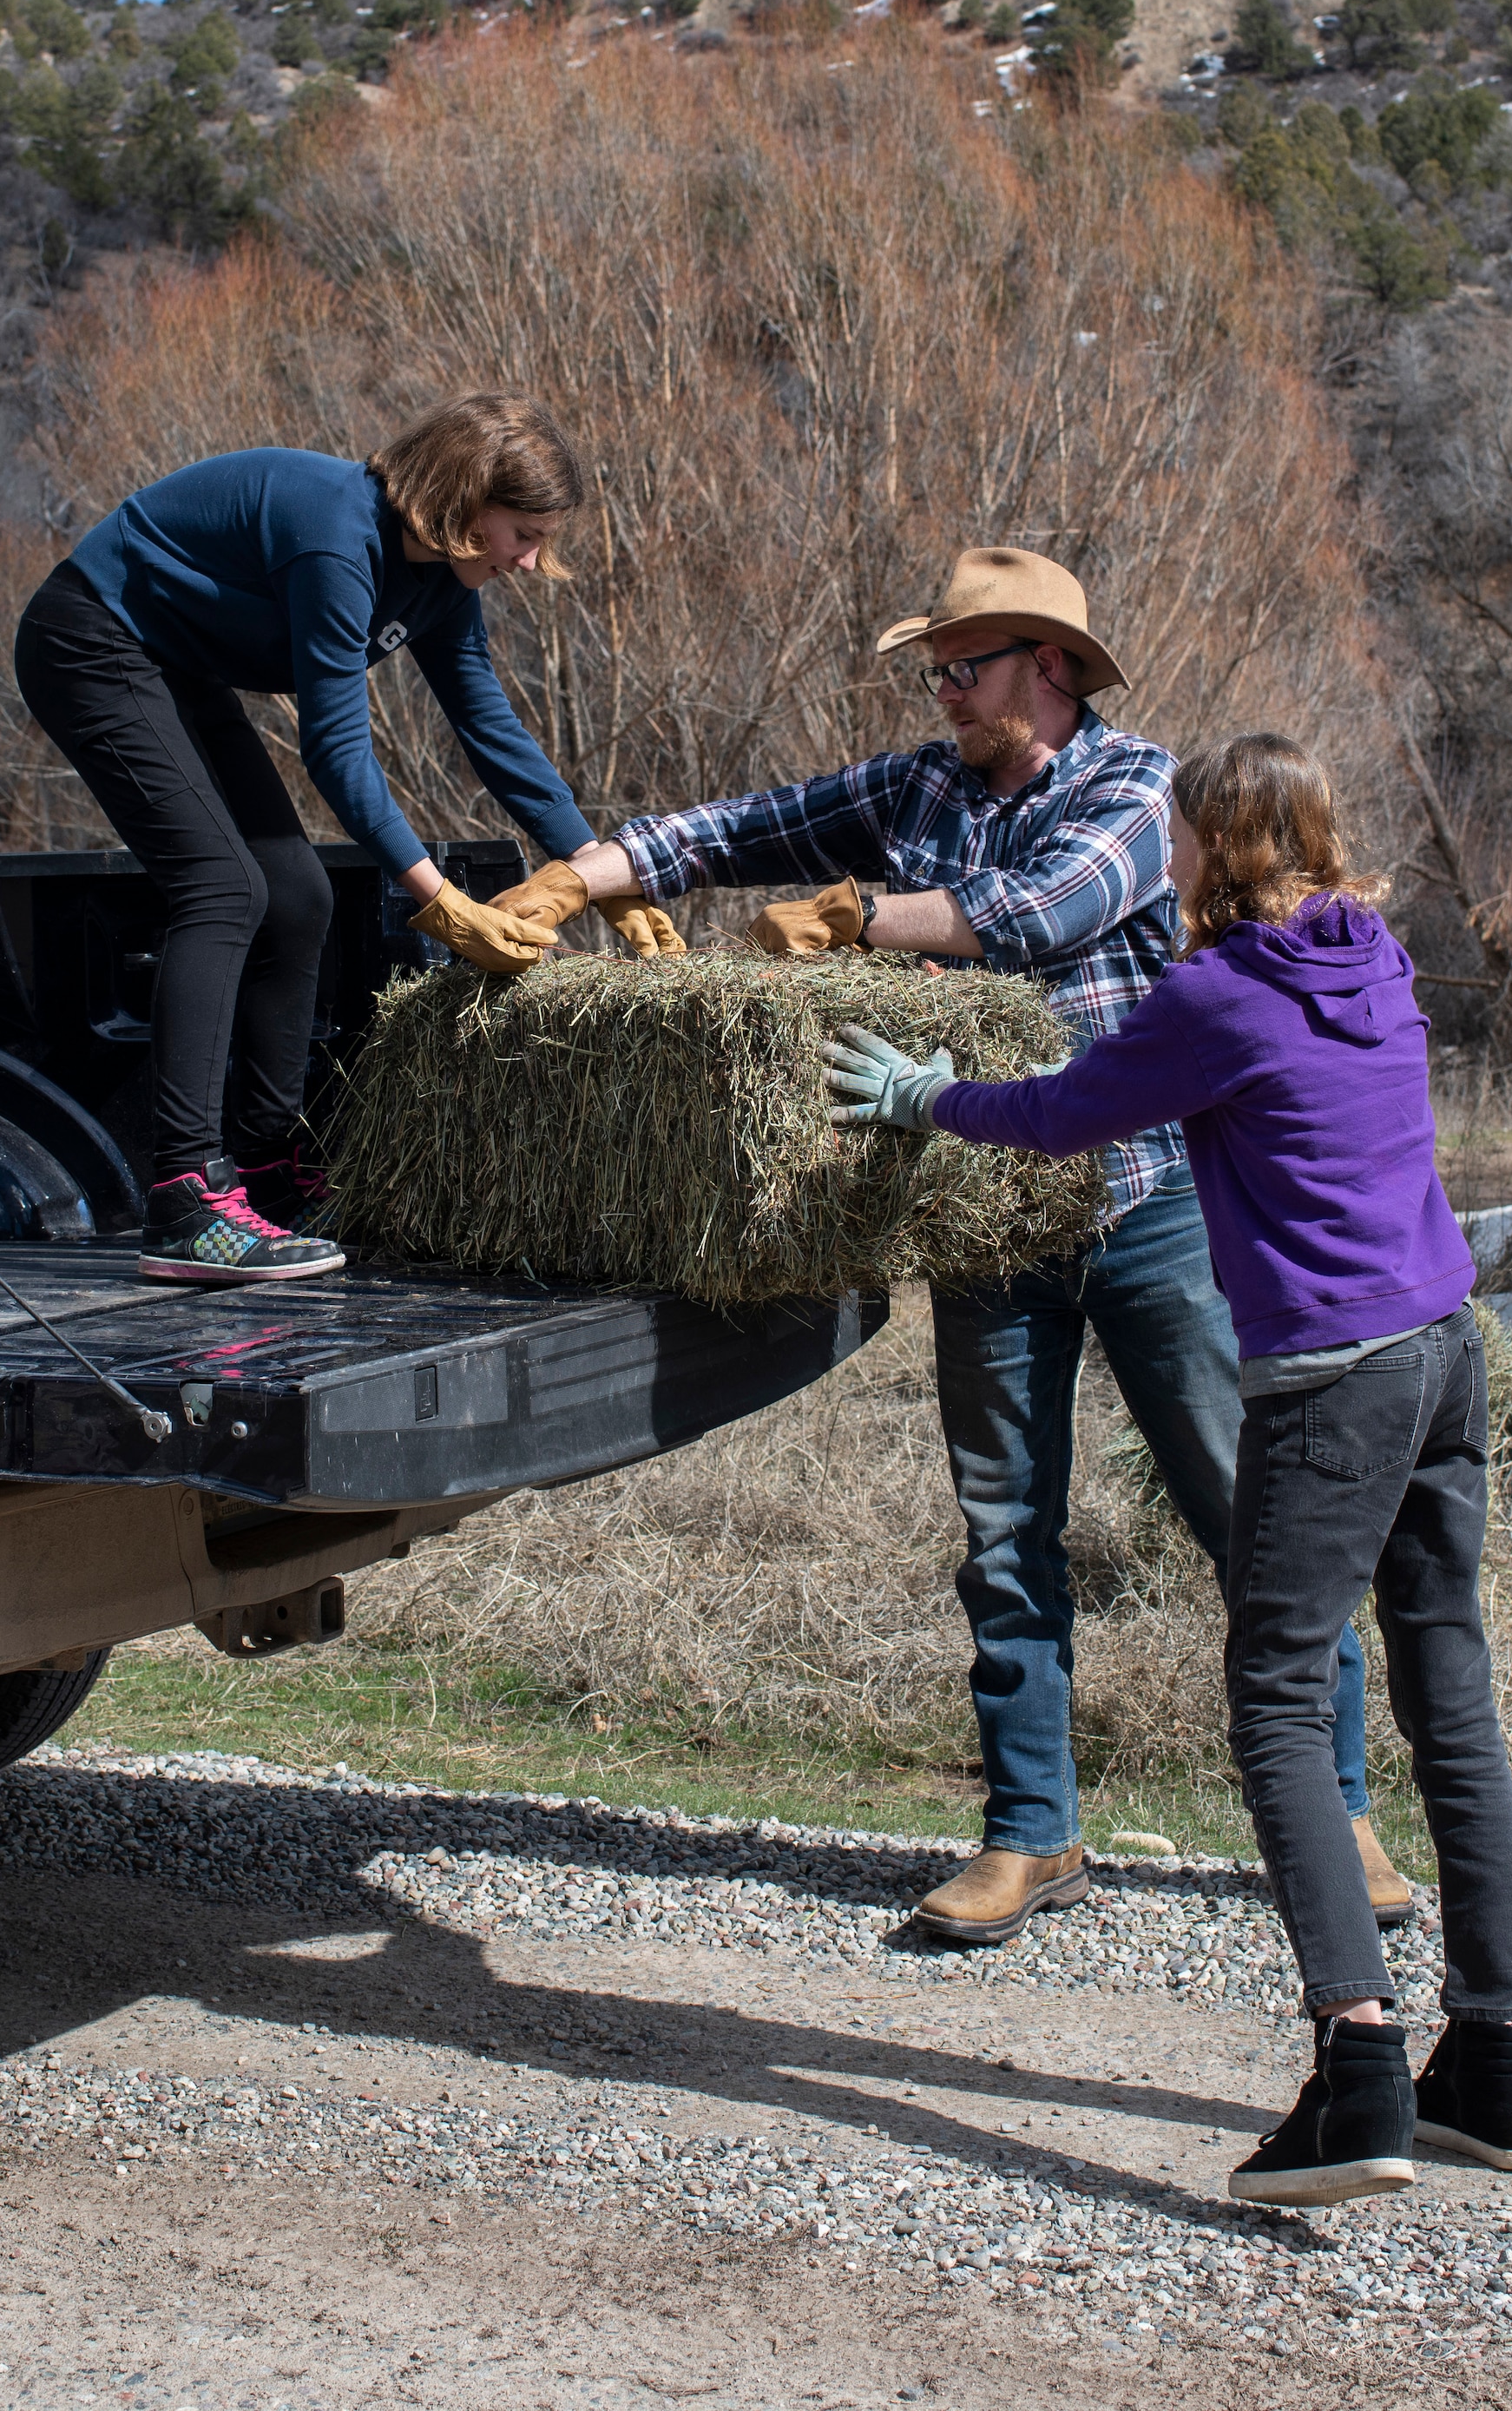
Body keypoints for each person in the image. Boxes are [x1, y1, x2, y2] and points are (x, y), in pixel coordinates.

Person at [562, 550, 1403, 1947]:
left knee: (1245, 1518)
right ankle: (1031, 1832)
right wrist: (569, 877)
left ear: (1051, 669)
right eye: (936, 670)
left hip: (1143, 1209)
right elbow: (731, 827)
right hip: (979, 1215)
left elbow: (1039, 917)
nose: (944, 690)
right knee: (1008, 1535)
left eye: (968, 666)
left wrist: (855, 918)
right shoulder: (917, 789)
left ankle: (1340, 1808)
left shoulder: (1143, 788)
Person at [821, 730, 1512, 2203]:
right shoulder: (1378, 956)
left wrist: (920, 1096)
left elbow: (1063, 1111)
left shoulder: (1217, 995)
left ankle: (1355, 2072)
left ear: (1212, 845)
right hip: (1445, 1350)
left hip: (1334, 1378)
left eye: (1185, 838)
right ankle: (1494, 2061)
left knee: (1274, 1697)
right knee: (1449, 1690)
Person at [15, 394, 677, 1285]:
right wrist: (439, 901)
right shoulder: (337, 537)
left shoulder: (442, 580)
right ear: (463, 501)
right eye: (521, 533)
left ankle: (265, 1171)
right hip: (91, 640)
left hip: (176, 666)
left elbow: (493, 733)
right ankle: (182, 1199)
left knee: (296, 897)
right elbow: (334, 749)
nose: (527, 561)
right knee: (221, 888)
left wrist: (609, 882)